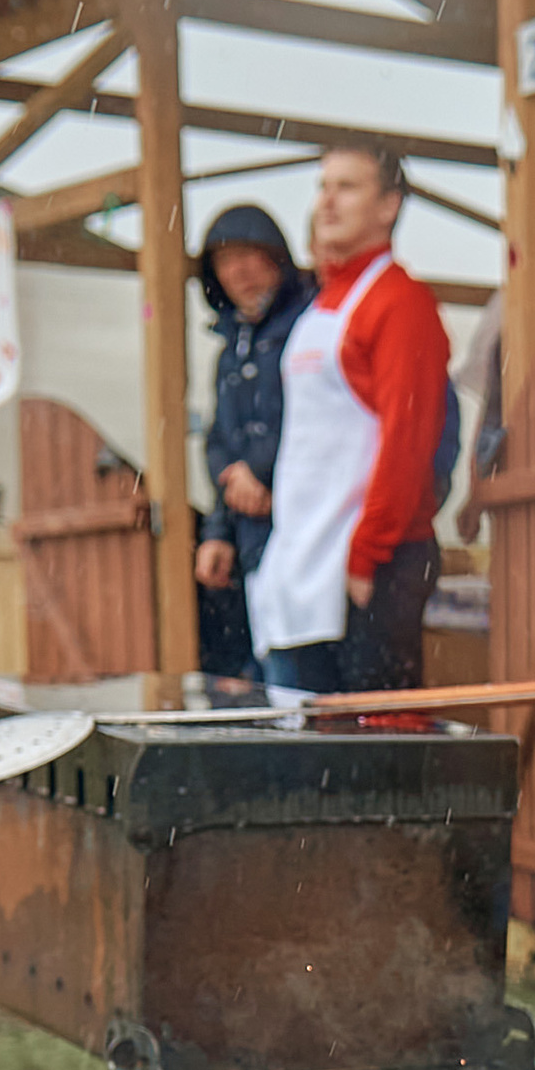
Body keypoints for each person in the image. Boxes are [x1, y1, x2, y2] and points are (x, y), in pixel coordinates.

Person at [245, 135, 452, 696]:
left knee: (376, 757)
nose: (328, 201)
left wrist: (367, 556)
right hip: (304, 566)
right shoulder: (319, 304)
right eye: (323, 186)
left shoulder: (400, 302)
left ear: (389, 206)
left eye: (348, 187)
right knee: (304, 758)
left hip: (366, 568)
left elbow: (408, 443)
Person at [190, 203, 309, 681]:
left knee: (301, 678)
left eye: (248, 255)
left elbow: (307, 421)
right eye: (224, 259)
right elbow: (220, 439)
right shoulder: (229, 353)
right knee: (260, 674)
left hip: (304, 532)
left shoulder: (309, 328)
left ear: (276, 256)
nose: (237, 270)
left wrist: (259, 471)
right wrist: (218, 528)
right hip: (251, 538)